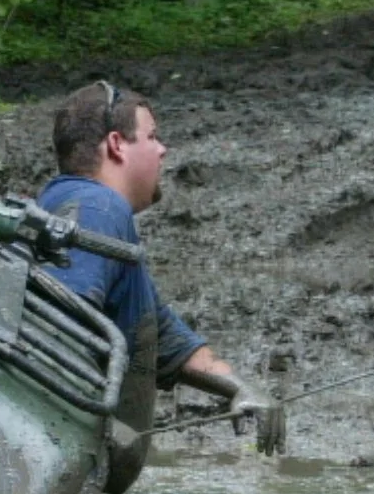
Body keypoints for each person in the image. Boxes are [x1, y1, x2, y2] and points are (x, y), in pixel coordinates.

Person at [36, 82, 284, 453]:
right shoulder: (99, 207)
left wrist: (241, 387)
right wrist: (96, 426)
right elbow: (56, 324)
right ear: (117, 144)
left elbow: (163, 334)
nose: (162, 149)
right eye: (151, 137)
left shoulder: (73, 206)